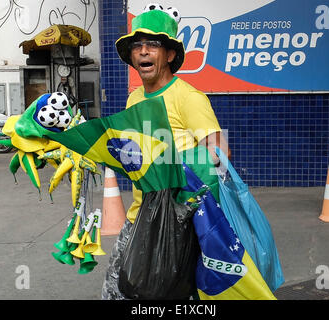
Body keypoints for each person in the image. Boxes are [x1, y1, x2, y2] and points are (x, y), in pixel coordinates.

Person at [101, 4, 231, 300]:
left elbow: (220, 153)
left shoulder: (188, 97)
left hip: (177, 222)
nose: (143, 51)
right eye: (138, 46)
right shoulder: (134, 97)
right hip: (139, 216)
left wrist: (172, 167)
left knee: (168, 293)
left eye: (153, 44)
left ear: (170, 54)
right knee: (118, 291)